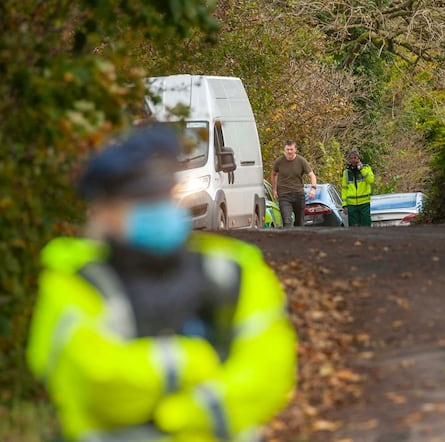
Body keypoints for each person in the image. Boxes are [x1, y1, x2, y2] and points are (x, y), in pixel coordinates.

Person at [27, 126, 298, 442]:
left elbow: (268, 375)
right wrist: (193, 364)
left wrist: (173, 416)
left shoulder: (233, 272)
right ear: (103, 213)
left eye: (163, 196)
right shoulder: (75, 282)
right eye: (142, 200)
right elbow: (99, 383)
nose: (159, 209)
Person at [270, 140, 317, 227]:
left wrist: (313, 189)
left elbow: (312, 176)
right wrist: (274, 190)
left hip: (298, 194)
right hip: (284, 195)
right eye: (287, 149)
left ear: (295, 150)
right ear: (284, 150)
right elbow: (273, 174)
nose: (289, 152)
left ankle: (298, 239)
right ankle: (288, 239)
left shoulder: (301, 161)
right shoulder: (279, 161)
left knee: (299, 223)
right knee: (286, 220)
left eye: (291, 149)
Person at [341, 148, 375, 227]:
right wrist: (345, 205)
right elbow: (344, 189)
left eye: (355, 158)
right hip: (351, 205)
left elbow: (371, 180)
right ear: (349, 160)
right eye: (351, 158)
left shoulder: (366, 168)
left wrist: (362, 169)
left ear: (359, 159)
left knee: (366, 226)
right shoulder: (346, 172)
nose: (353, 160)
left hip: (364, 204)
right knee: (354, 227)